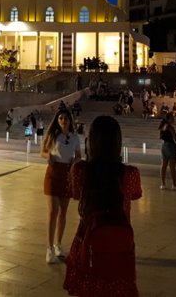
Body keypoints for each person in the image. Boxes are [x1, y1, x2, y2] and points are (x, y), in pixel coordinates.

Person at [63, 116, 142, 297]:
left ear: (90, 142)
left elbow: (75, 194)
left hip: (88, 239)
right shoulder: (130, 173)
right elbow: (136, 194)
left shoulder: (80, 171)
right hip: (120, 242)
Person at [40, 108, 82, 264]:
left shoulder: (75, 138)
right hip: (53, 173)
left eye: (65, 118)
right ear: (57, 121)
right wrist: (48, 156)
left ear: (70, 120)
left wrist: (75, 161)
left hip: (67, 174)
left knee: (63, 212)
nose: (63, 121)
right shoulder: (53, 135)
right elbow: (43, 152)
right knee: (53, 211)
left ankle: (58, 244)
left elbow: (78, 155)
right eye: (60, 118)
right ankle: (49, 247)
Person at [158, 115, 176, 190]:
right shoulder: (170, 128)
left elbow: (160, 137)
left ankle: (163, 184)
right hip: (171, 146)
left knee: (163, 166)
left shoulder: (162, 127)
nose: (173, 119)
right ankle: (174, 185)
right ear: (168, 119)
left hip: (164, 146)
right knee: (172, 167)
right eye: (172, 118)